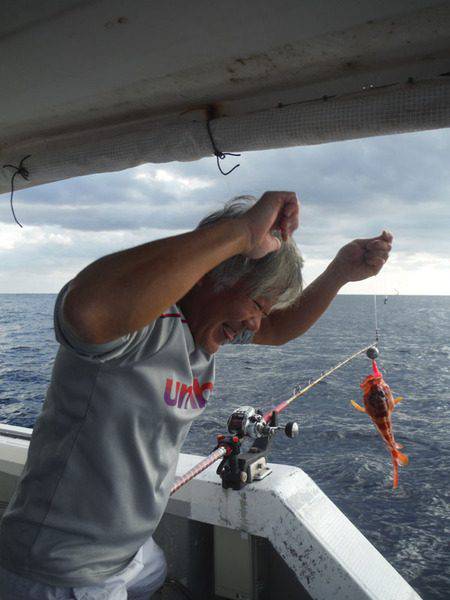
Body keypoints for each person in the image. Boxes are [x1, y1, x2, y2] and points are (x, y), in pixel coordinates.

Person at [0, 191, 392, 599]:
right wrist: (241, 232)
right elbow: (85, 310)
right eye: (257, 303)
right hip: (59, 570)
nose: (257, 325)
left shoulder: (198, 333)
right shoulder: (139, 329)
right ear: (212, 274)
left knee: (154, 573)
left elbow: (278, 328)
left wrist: (341, 271)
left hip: (127, 555)